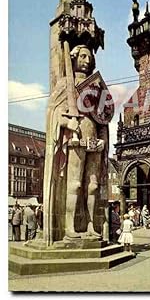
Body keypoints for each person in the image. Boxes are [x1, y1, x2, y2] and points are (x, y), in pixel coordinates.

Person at [43, 44, 111, 244]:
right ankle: (69, 227)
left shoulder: (95, 86)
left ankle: (91, 225)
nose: (87, 60)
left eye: (89, 57)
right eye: (82, 56)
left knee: (92, 185)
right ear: (73, 58)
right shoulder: (66, 83)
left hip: (94, 141)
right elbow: (53, 112)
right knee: (75, 183)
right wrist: (67, 122)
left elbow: (103, 117)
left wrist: (102, 139)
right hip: (75, 140)